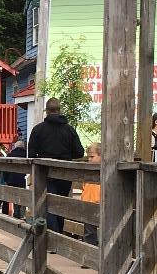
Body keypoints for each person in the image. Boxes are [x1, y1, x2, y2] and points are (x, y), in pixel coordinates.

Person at [26, 97, 85, 232]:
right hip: (65, 172)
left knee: (47, 203)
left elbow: (31, 153)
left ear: (46, 111)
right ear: (59, 111)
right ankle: (58, 235)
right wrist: (66, 155)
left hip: (44, 172)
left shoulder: (38, 130)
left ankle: (52, 235)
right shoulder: (69, 130)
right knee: (61, 204)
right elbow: (79, 152)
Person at [80, 143, 102, 245]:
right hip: (87, 204)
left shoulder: (104, 172)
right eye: (88, 157)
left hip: (98, 204)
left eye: (92, 157)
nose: (89, 159)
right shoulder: (88, 171)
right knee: (89, 233)